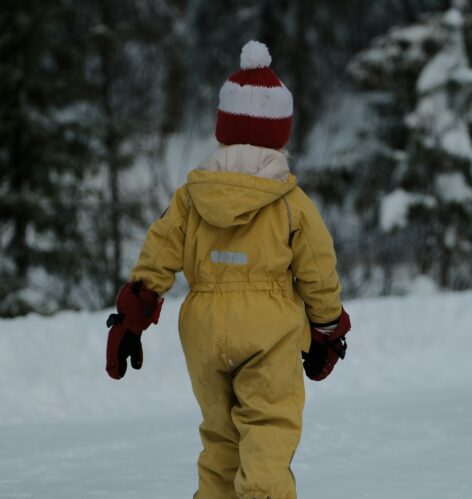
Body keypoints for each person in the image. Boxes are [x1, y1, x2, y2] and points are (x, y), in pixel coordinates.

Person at [105, 40, 351, 499]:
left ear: (224, 128)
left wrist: (131, 319)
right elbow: (318, 270)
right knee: (267, 434)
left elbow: (159, 251)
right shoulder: (291, 204)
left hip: (203, 330)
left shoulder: (192, 195)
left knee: (220, 439)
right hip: (268, 332)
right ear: (281, 133)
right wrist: (327, 330)